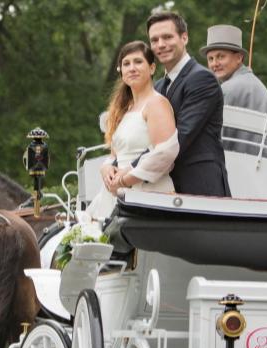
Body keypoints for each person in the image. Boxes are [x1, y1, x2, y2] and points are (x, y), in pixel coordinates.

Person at [145, 11, 230, 197]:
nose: (161, 45)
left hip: (200, 188)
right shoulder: (158, 86)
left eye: (167, 37)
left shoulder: (202, 78)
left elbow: (181, 136)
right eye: (154, 40)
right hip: (164, 190)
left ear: (184, 37)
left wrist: (133, 170)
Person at [90, 41, 178, 220]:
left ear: (152, 68)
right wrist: (106, 167)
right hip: (117, 194)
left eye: (138, 62)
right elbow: (116, 155)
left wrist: (125, 180)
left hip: (147, 193)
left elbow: (165, 153)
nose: (132, 68)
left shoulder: (156, 103)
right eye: (126, 63)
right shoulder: (124, 109)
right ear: (121, 71)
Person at [200, 24, 267, 159]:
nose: (214, 64)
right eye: (211, 59)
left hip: (244, 167)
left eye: (220, 57)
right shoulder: (254, 83)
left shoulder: (227, 89)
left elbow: (214, 140)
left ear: (239, 58)